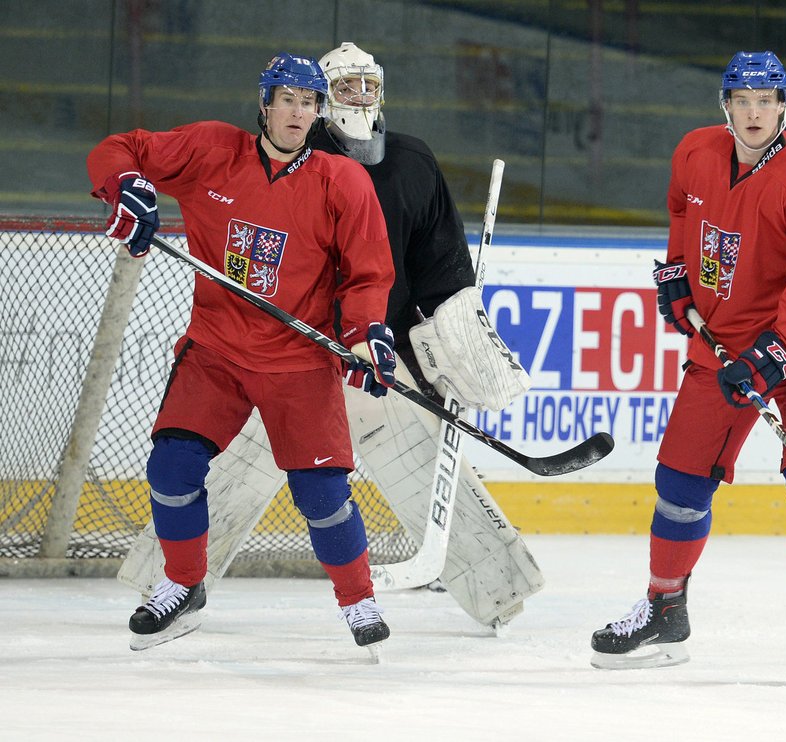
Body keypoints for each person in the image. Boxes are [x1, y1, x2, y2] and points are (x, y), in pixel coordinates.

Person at [118, 41, 540, 629]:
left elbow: (424, 263)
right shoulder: (278, 151)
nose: (352, 101)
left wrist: (437, 333)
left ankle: (493, 592)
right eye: (340, 89)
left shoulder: (409, 162)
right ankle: (171, 583)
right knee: (183, 466)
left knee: (331, 490)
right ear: (268, 105)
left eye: (365, 87)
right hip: (247, 350)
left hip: (349, 356)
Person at [87, 52, 399, 653]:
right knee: (171, 469)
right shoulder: (210, 151)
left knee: (323, 496)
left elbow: (367, 274)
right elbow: (118, 148)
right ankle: (183, 586)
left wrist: (367, 334)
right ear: (265, 103)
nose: (299, 113)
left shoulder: (343, 181)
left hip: (300, 359)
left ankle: (358, 599)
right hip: (217, 349)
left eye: (310, 102)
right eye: (288, 99)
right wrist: (126, 187)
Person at [590, 51, 786, 681]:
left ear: (784, 106)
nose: (753, 112)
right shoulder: (695, 152)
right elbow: (684, 213)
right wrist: (679, 273)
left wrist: (775, 355)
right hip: (720, 349)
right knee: (680, 485)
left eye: (765, 100)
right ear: (725, 105)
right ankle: (664, 607)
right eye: (741, 99)